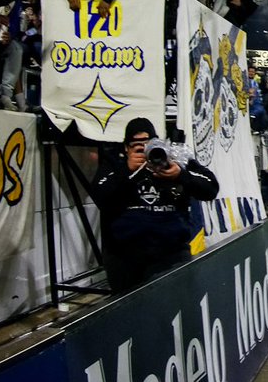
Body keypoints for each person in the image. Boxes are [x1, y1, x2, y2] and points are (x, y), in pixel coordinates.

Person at [92, 117, 218, 292]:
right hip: (125, 259)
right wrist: (126, 170)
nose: (143, 149)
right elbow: (100, 195)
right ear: (126, 148)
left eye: (147, 143)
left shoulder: (173, 159)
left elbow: (211, 188)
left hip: (171, 254)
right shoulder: (115, 165)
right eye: (136, 145)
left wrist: (180, 175)